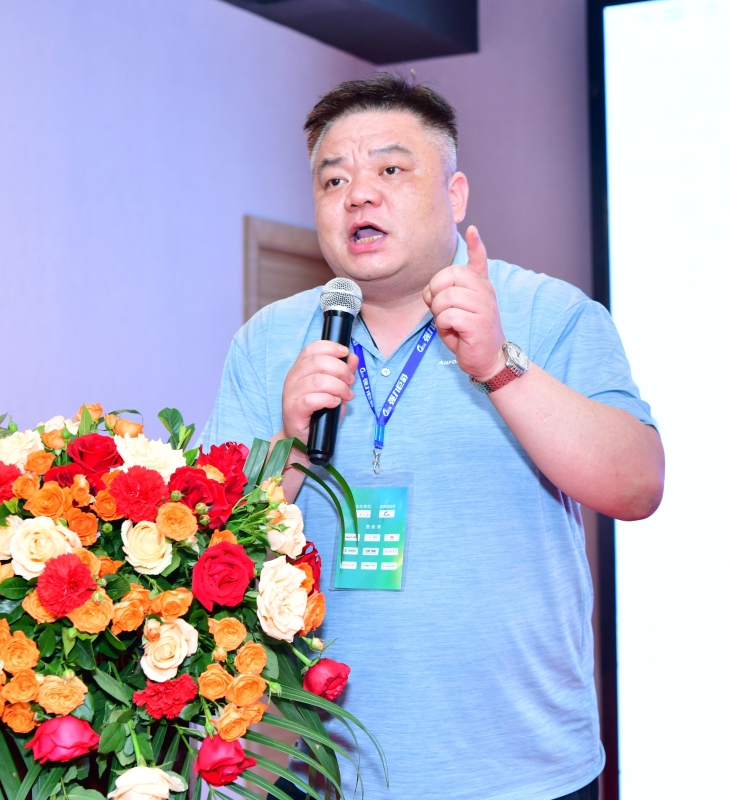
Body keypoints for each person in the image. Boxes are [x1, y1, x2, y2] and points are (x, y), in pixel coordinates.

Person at [200, 73, 664, 800]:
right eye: (334, 179)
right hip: (321, 772)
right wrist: (288, 445)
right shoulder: (267, 343)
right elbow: (209, 549)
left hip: (521, 771)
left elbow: (637, 486)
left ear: (455, 194)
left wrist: (499, 366)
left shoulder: (549, 312)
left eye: (390, 170)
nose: (359, 194)